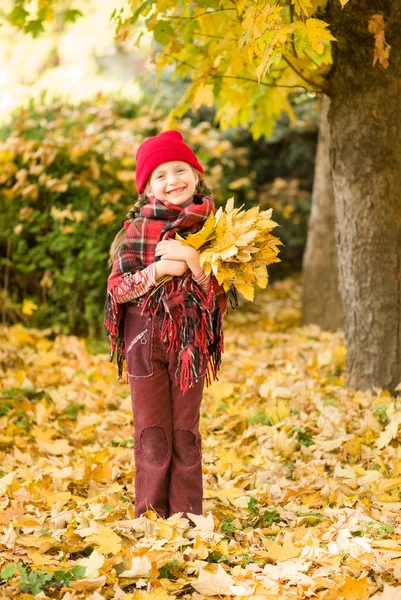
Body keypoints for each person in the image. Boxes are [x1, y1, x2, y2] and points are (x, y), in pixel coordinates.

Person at [104, 130, 236, 520]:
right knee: (152, 433)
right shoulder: (134, 233)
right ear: (146, 189)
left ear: (196, 176)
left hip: (190, 345)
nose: (172, 180)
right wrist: (159, 269)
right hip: (144, 341)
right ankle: (150, 517)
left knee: (184, 431)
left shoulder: (217, 232)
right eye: (160, 175)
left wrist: (192, 259)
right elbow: (118, 291)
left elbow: (221, 297)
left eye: (180, 170)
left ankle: (188, 515)